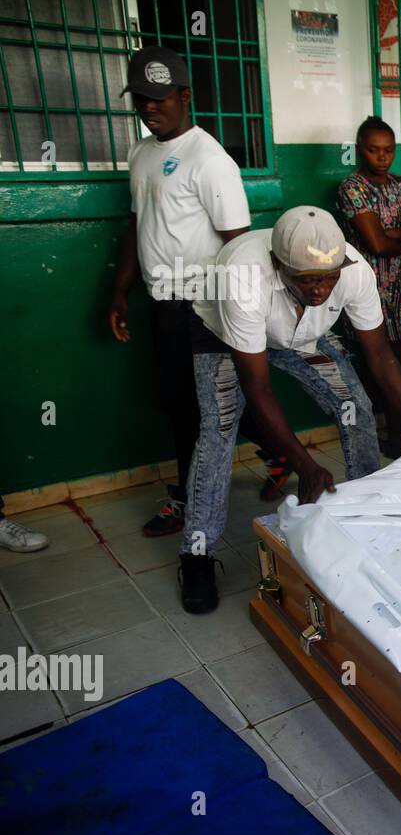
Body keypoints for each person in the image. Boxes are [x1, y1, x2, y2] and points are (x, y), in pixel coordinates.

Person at [178, 207, 401, 614]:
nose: (321, 290)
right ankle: (197, 555)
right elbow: (258, 386)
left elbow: (379, 353)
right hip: (224, 334)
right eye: (308, 280)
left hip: (301, 334)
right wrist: (304, 463)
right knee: (219, 429)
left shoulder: (352, 270)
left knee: (355, 405)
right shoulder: (244, 279)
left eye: (328, 278)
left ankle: (364, 513)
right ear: (279, 265)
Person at [107, 46, 288, 535]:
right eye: (140, 98)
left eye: (159, 98)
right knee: (186, 402)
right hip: (162, 301)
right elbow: (136, 224)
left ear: (185, 96)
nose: (148, 107)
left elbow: (240, 243)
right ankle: (278, 451)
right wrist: (121, 290)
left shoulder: (210, 160)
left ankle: (188, 500)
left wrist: (244, 311)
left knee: (195, 406)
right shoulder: (141, 153)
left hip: (203, 305)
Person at [336, 116, 401, 457]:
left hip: (396, 288)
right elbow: (377, 246)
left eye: (388, 150)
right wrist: (398, 239)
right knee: (369, 364)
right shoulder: (352, 188)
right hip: (365, 289)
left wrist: (390, 238)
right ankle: (375, 437)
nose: (382, 157)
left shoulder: (397, 184)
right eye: (374, 150)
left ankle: (398, 434)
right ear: (361, 150)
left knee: (398, 358)